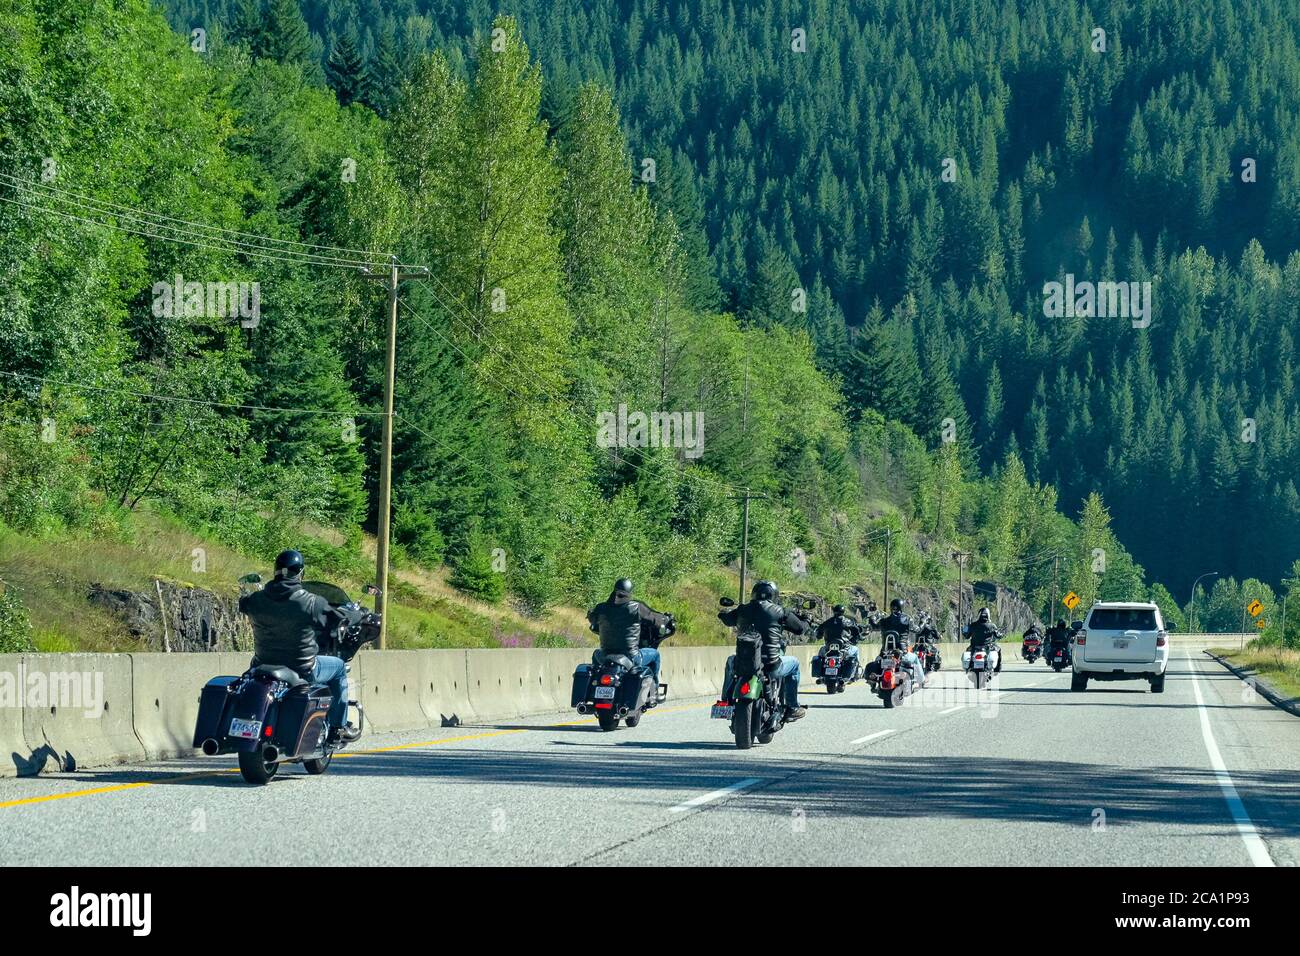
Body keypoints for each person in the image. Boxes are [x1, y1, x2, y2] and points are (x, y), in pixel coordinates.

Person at [240, 549, 355, 743]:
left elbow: (243, 603)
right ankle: (338, 727)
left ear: (276, 570)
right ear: (300, 573)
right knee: (339, 668)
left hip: (262, 664)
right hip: (302, 667)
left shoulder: (257, 600)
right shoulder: (311, 602)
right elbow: (337, 620)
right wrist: (351, 618)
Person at [719, 580, 807, 721]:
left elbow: (727, 619)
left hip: (744, 663)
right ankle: (792, 707)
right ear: (774, 595)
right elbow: (800, 629)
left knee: (730, 661)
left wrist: (723, 613)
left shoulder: (742, 609)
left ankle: (725, 702)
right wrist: (804, 620)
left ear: (754, 594)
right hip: (771, 664)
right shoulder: (780, 611)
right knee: (795, 663)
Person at [587, 578, 671, 693]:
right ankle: (654, 688)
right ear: (630, 592)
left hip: (605, 656)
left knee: (596, 654)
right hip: (631, 656)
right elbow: (654, 619)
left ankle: (594, 684)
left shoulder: (601, 608)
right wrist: (665, 619)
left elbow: (592, 619)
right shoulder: (636, 607)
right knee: (655, 654)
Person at [816, 603, 862, 676]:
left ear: (834, 611)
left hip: (828, 649)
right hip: (844, 649)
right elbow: (856, 631)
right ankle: (857, 672)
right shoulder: (847, 621)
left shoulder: (828, 622)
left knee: (820, 654)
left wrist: (819, 635)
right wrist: (858, 637)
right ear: (843, 612)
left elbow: (819, 631)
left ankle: (820, 672)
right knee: (856, 649)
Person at [966, 606, 1002, 673]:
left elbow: (967, 636)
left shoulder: (973, 625)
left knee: (968, 651)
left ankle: (969, 667)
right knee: (998, 649)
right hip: (987, 647)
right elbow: (998, 635)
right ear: (988, 615)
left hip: (974, 647)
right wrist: (1000, 635)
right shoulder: (992, 625)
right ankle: (997, 670)